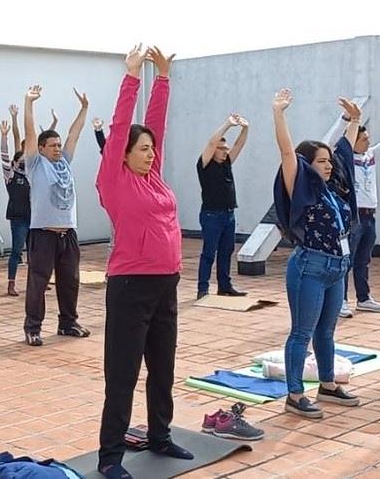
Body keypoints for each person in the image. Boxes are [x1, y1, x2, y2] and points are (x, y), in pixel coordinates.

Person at [96, 45, 190, 479]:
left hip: (165, 284)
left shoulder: (154, 178)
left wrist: (165, 79)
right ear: (124, 154)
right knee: (123, 375)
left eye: (153, 149)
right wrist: (132, 77)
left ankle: (160, 435)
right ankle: (110, 457)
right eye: (142, 149)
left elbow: (157, 126)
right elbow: (121, 128)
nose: (151, 153)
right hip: (130, 288)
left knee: (163, 369)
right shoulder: (114, 181)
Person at [273, 89, 363, 419]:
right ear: (307, 165)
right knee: (302, 332)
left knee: (327, 332)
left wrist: (355, 121)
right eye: (320, 162)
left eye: (328, 162)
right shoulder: (301, 185)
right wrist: (279, 113)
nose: (328, 166)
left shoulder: (332, 190)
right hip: (310, 266)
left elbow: (345, 152)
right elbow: (286, 152)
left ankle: (327, 385)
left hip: (337, 268)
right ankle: (295, 394)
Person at [322, 104, 380, 317]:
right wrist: (346, 118)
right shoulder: (342, 158)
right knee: (346, 260)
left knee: (363, 259)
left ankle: (363, 298)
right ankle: (340, 301)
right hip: (353, 216)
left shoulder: (370, 155)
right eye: (363, 139)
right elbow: (328, 142)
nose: (368, 141)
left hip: (370, 215)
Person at [22, 83, 90, 347]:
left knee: (70, 281)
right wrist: (29, 104)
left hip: (68, 233)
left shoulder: (65, 163)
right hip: (42, 234)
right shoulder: (35, 165)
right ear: (40, 148)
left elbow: (75, 132)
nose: (58, 148)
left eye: (59, 145)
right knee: (38, 284)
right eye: (52, 145)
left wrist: (83, 109)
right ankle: (33, 327)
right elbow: (29, 132)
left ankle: (68, 323)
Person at [196, 113, 250, 298]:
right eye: (221, 148)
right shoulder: (204, 165)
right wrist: (227, 124)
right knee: (209, 253)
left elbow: (239, 145)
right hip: (212, 215)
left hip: (228, 215)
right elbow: (211, 144)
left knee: (227, 251)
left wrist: (245, 128)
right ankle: (203, 289)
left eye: (225, 148)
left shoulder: (226, 163)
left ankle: (224, 286)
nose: (225, 151)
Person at [0, 108, 30, 297]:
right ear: (16, 161)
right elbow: (4, 155)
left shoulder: (32, 175)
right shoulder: (11, 174)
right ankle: (11, 283)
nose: (25, 161)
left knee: (36, 253)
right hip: (18, 218)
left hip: (34, 217)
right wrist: (4, 137)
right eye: (22, 159)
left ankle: (37, 282)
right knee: (16, 251)